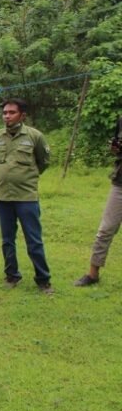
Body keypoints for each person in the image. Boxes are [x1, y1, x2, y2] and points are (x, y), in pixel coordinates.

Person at [0, 98, 53, 294]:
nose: (7, 116)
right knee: (7, 239)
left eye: (11, 112)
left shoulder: (35, 136)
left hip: (26, 197)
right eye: (4, 113)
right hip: (3, 197)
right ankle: (12, 275)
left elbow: (43, 162)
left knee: (34, 240)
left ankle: (43, 280)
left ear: (22, 115)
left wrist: (27, 178)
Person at [74, 117, 122, 286]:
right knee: (106, 229)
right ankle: (93, 275)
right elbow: (117, 151)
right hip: (120, 184)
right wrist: (115, 149)